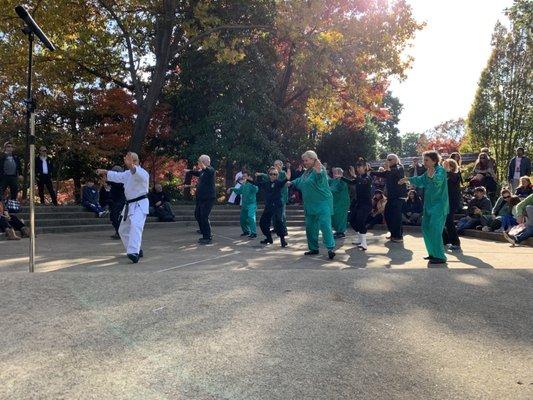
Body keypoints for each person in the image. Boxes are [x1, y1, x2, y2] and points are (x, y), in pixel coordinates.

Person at [97, 152, 149, 263]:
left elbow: (136, 172)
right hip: (129, 204)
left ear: (135, 161)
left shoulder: (143, 173)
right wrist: (105, 171)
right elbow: (117, 176)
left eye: (130, 160)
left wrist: (131, 166)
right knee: (123, 229)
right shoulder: (127, 174)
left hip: (140, 203)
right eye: (127, 160)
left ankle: (133, 252)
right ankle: (136, 249)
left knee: (136, 225)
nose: (127, 163)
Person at [400, 150, 449, 264]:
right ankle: (432, 253)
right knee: (426, 228)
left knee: (435, 230)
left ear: (434, 160)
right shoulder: (427, 172)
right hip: (428, 205)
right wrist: (407, 179)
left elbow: (438, 181)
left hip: (439, 206)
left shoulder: (440, 171)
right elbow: (420, 180)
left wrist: (433, 176)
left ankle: (440, 256)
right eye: (424, 160)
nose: (424, 162)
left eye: (426, 160)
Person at [288, 151, 336, 259]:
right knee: (310, 227)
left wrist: (319, 172)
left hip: (322, 203)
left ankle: (330, 249)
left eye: (307, 160)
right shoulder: (306, 172)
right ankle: (313, 248)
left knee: (325, 226)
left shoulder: (319, 169)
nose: (305, 163)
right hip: (310, 204)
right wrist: (291, 182)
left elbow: (321, 178)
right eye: (304, 161)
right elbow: (300, 180)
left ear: (313, 159)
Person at [370, 154, 408, 242]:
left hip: (398, 197)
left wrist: (388, 168)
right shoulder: (390, 170)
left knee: (396, 217)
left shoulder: (399, 167)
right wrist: (371, 171)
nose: (388, 161)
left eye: (390, 159)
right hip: (391, 197)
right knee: (387, 214)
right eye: (387, 159)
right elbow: (383, 174)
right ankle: (393, 234)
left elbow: (393, 173)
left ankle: (398, 236)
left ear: (396, 160)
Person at [251, 167, 289, 247]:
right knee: (262, 223)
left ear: (277, 175)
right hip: (269, 207)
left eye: (275, 174)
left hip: (277, 206)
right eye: (271, 174)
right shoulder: (266, 183)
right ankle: (269, 238)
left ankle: (283, 240)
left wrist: (287, 178)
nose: (273, 176)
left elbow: (283, 182)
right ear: (269, 175)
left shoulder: (278, 183)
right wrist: (248, 180)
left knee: (279, 221)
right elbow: (256, 183)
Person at [186, 155, 216, 245]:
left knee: (204, 216)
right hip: (201, 198)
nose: (199, 163)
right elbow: (197, 173)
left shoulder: (210, 170)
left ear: (205, 161)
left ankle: (207, 237)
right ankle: (204, 232)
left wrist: (202, 165)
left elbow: (208, 170)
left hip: (208, 198)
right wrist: (189, 171)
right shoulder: (202, 172)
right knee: (198, 215)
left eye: (200, 161)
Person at [343, 161, 373, 250]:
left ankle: (364, 243)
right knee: (352, 220)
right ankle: (360, 239)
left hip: (366, 204)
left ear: (364, 168)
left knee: (360, 221)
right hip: (358, 203)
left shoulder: (368, 177)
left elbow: (364, 182)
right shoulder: (359, 177)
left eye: (360, 167)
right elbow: (352, 182)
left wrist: (354, 175)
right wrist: (341, 178)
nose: (358, 169)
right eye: (357, 167)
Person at [227, 171, 259, 238]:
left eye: (245, 176)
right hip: (244, 205)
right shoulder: (243, 185)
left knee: (251, 217)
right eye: (243, 176)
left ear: (249, 177)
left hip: (251, 204)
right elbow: (239, 191)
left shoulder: (252, 184)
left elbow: (256, 189)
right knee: (242, 219)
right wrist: (231, 188)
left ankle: (254, 233)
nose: (243, 178)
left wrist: (251, 183)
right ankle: (246, 231)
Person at [442, 158, 462, 251]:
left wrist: (447, 171)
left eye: (446, 165)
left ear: (452, 166)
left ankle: (456, 243)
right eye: (444, 165)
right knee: (442, 221)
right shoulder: (444, 175)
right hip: (444, 201)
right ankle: (445, 240)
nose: (444, 167)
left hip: (452, 201)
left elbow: (453, 179)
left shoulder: (456, 175)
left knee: (449, 221)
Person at [328, 167, 350, 238]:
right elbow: (326, 181)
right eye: (333, 173)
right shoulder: (332, 180)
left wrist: (328, 190)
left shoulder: (342, 181)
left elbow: (336, 189)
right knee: (335, 217)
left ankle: (341, 232)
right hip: (335, 203)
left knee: (340, 217)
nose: (334, 174)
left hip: (342, 203)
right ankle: (337, 231)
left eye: (335, 173)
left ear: (340, 174)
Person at [108, 166, 126, 239]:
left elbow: (120, 185)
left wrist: (109, 181)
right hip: (114, 200)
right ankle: (118, 231)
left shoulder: (122, 179)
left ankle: (120, 232)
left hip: (120, 200)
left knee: (115, 216)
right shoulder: (113, 181)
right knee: (113, 217)